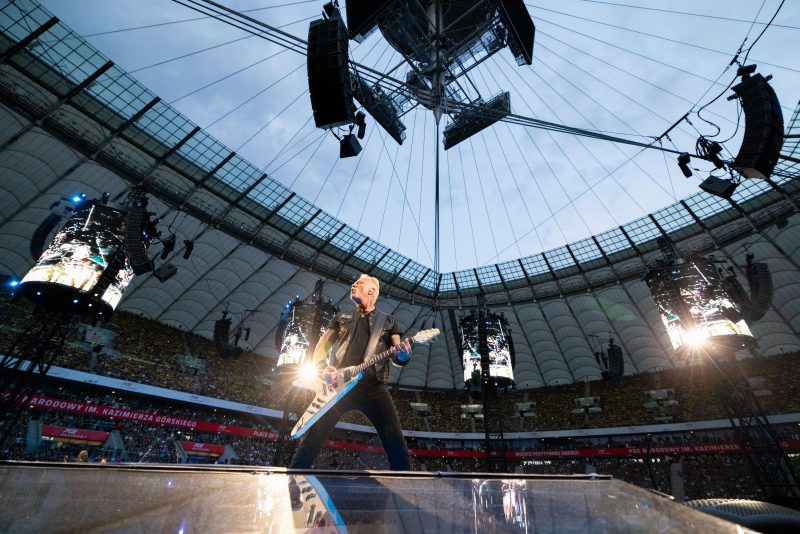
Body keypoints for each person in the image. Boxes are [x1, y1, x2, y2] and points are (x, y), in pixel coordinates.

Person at [289, 274, 413, 470]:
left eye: (359, 283)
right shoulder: (341, 317)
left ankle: (408, 487)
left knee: (395, 440)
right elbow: (322, 348)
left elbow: (398, 354)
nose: (353, 285)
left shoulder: (388, 322)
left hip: (373, 388)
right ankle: (293, 479)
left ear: (371, 291)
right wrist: (323, 370)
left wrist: (404, 356)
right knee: (312, 438)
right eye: (353, 282)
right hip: (338, 385)